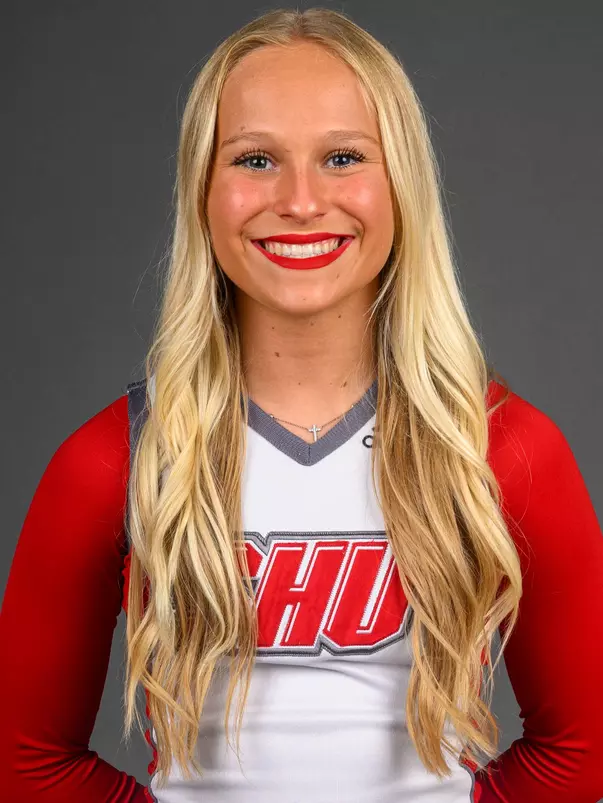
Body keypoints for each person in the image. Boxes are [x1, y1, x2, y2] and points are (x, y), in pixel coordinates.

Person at [1, 7, 603, 802]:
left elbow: (583, 750)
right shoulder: (118, 458)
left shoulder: (499, 447)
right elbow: (26, 762)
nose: (300, 201)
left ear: (402, 185)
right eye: (254, 159)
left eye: (343, 156)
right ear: (201, 191)